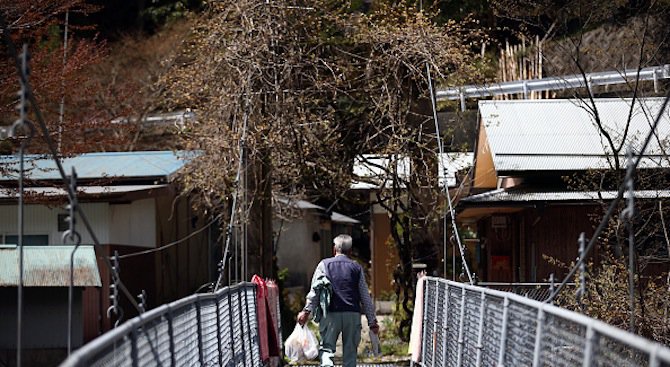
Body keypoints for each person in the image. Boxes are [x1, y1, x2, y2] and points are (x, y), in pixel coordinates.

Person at [297, 234, 379, 367]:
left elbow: (315, 290)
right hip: (352, 314)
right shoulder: (356, 268)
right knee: (350, 353)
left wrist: (306, 311)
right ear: (350, 251)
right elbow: (365, 296)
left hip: (330, 313)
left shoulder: (324, 265)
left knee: (327, 349)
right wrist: (372, 321)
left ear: (334, 249)